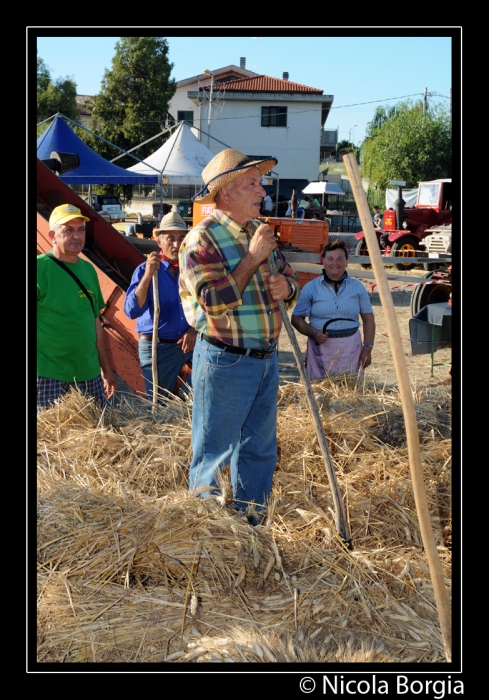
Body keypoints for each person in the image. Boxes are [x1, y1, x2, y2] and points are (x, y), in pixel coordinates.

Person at [179, 148, 300, 523]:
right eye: (253, 183)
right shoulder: (202, 240)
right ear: (227, 192)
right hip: (225, 360)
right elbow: (213, 302)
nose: (262, 191)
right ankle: (207, 533)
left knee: (259, 449)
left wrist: (287, 288)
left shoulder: (257, 233)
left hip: (265, 359)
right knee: (213, 451)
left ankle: (251, 526)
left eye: (260, 183)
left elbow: (289, 275)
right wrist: (251, 258)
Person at [37, 204, 117, 412]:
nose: (77, 236)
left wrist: (106, 369)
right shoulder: (39, 269)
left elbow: (96, 323)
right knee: (50, 442)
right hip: (48, 375)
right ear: (52, 236)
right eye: (69, 230)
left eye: (81, 230)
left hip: (88, 376)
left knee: (94, 440)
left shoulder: (88, 270)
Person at [124, 211, 196, 401]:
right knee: (159, 403)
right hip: (158, 347)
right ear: (159, 242)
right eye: (170, 238)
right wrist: (148, 275)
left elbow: (207, 305)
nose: (177, 244)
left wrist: (194, 329)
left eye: (181, 238)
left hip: (190, 345)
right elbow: (131, 311)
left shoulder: (194, 269)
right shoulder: (145, 270)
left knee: (199, 397)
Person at [291, 239, 375, 380]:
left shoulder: (357, 287)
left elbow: (368, 319)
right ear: (322, 260)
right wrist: (314, 333)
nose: (334, 263)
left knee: (349, 399)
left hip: (351, 351)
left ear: (347, 261)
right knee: (320, 395)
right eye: (330, 259)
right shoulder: (311, 288)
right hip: (321, 352)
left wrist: (367, 348)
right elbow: (296, 319)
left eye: (339, 259)